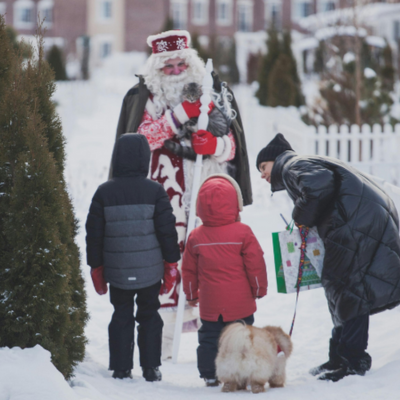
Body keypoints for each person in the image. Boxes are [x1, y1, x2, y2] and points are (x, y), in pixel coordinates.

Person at [112, 29, 252, 358]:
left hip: (207, 195)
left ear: (191, 64)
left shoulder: (212, 92)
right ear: (156, 70)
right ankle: (162, 350)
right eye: (167, 67)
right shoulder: (144, 98)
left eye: (180, 64)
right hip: (163, 196)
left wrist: (215, 144)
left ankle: (219, 348)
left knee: (213, 265)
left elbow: (233, 146)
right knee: (166, 265)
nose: (175, 71)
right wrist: (179, 115)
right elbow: (142, 139)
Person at [257, 133, 400, 382]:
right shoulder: (300, 162)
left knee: (347, 289)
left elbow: (319, 185)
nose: (262, 174)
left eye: (263, 167)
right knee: (339, 286)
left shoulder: (291, 164)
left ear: (274, 160)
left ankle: (353, 360)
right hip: (358, 218)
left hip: (353, 222)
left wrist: (299, 217)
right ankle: (339, 356)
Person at [85, 133, 180, 381]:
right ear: (145, 160)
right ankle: (150, 368)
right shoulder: (155, 191)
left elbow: (93, 235)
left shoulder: (103, 193)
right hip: (150, 272)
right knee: (149, 315)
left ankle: (121, 367)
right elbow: (167, 231)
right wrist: (171, 263)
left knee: (121, 314)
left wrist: (96, 267)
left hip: (117, 272)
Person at [182, 174, 267, 386]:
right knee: (243, 337)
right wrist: (259, 289)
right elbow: (256, 264)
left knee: (210, 338)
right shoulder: (243, 232)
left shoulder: (196, 236)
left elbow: (189, 271)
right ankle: (243, 372)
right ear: (235, 204)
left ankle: (210, 373)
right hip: (241, 303)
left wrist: (192, 295)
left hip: (211, 304)